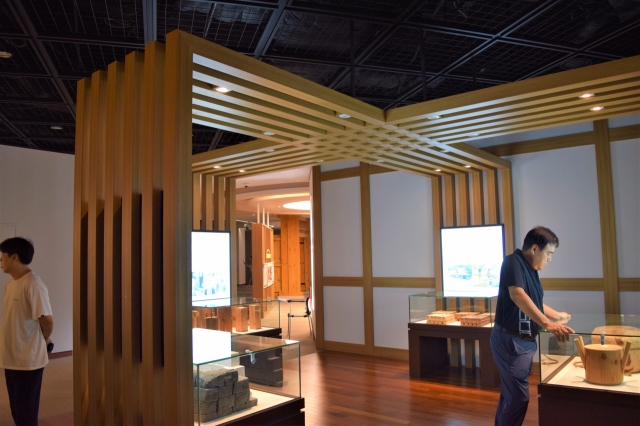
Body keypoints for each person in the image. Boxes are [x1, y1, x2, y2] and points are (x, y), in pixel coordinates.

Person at [490, 226, 574, 426]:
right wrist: (547, 323)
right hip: (511, 340)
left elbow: (534, 302)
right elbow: (517, 295)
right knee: (518, 398)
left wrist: (557, 316)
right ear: (535, 249)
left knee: (511, 396)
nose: (549, 259)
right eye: (549, 254)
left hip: (523, 342)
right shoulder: (513, 261)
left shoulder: (531, 269)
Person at [0, 237, 54, 426]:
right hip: (11, 359)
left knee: (25, 414)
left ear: (14, 257)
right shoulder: (12, 284)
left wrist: (44, 339)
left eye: (3, 256)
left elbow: (47, 320)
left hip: (28, 362)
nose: (1, 260)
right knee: (17, 410)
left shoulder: (33, 284)